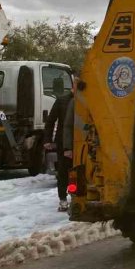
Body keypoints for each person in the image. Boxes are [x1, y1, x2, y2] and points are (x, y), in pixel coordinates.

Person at [45, 77, 74, 212]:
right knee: (63, 171)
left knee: (77, 171)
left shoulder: (86, 100)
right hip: (63, 142)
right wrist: (47, 140)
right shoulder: (62, 100)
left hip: (81, 142)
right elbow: (50, 121)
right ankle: (63, 199)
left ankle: (75, 195)